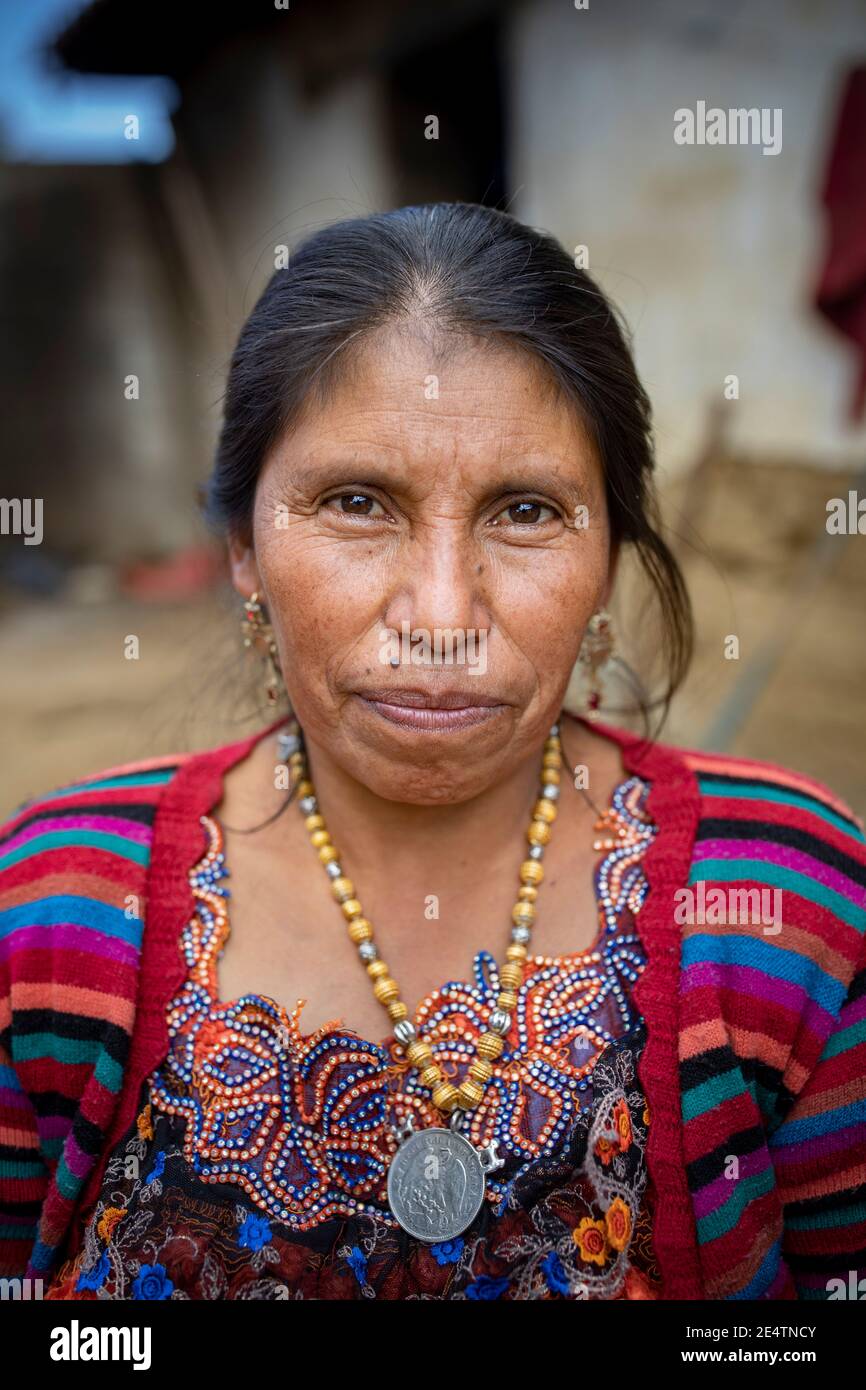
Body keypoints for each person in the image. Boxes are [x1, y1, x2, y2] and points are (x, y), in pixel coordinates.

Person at [1, 202, 864, 1301]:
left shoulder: (790, 906)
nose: (443, 614)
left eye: (524, 510)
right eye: (357, 502)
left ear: (605, 559)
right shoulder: (55, 915)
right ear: (241, 546)